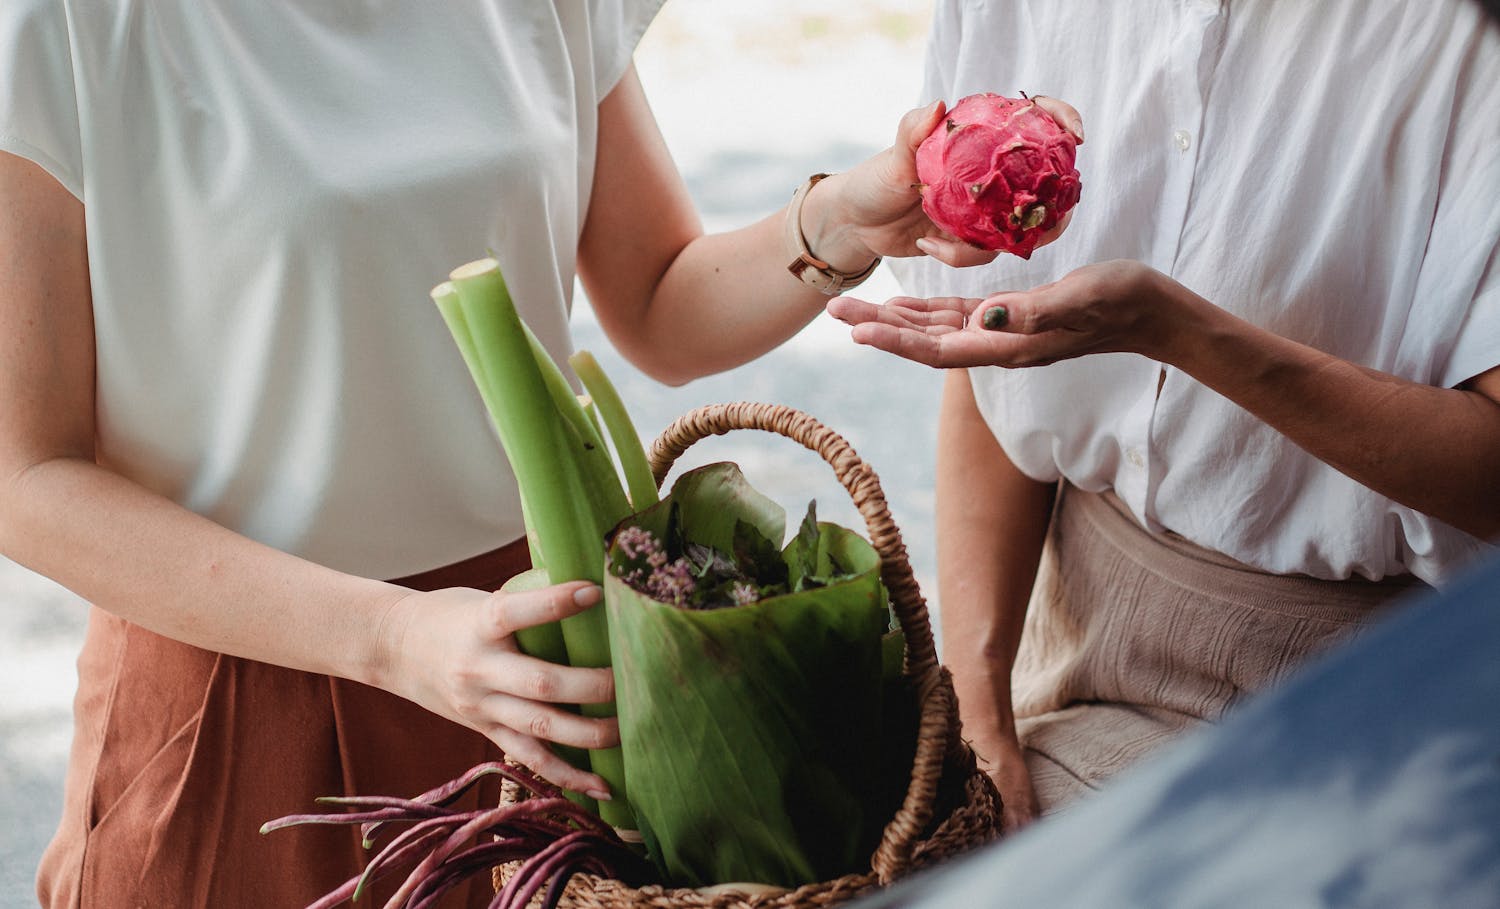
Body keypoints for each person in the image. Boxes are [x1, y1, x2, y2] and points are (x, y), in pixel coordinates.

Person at [0, 3, 1074, 906]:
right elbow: (23, 476)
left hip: (550, 676)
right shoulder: (59, 27)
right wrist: (391, 638)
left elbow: (658, 302)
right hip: (239, 688)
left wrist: (841, 222)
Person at [829, 0, 1500, 835]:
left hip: (1383, 699)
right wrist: (979, 705)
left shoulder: (1459, 38)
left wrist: (1181, 334)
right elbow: (989, 366)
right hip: (1076, 647)